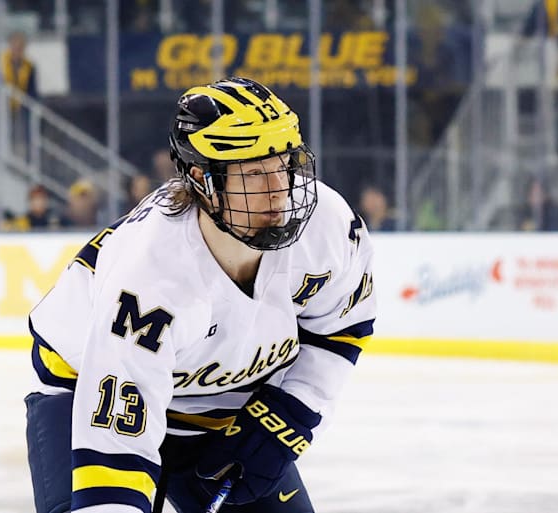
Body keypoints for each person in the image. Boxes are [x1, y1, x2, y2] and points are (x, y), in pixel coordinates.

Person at [25, 77, 376, 513]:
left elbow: (341, 329)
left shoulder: (327, 227)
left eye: (283, 165)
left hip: (227, 407)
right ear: (201, 178)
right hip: (86, 389)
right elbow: (114, 455)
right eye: (253, 173)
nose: (278, 190)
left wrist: (289, 414)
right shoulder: (150, 279)